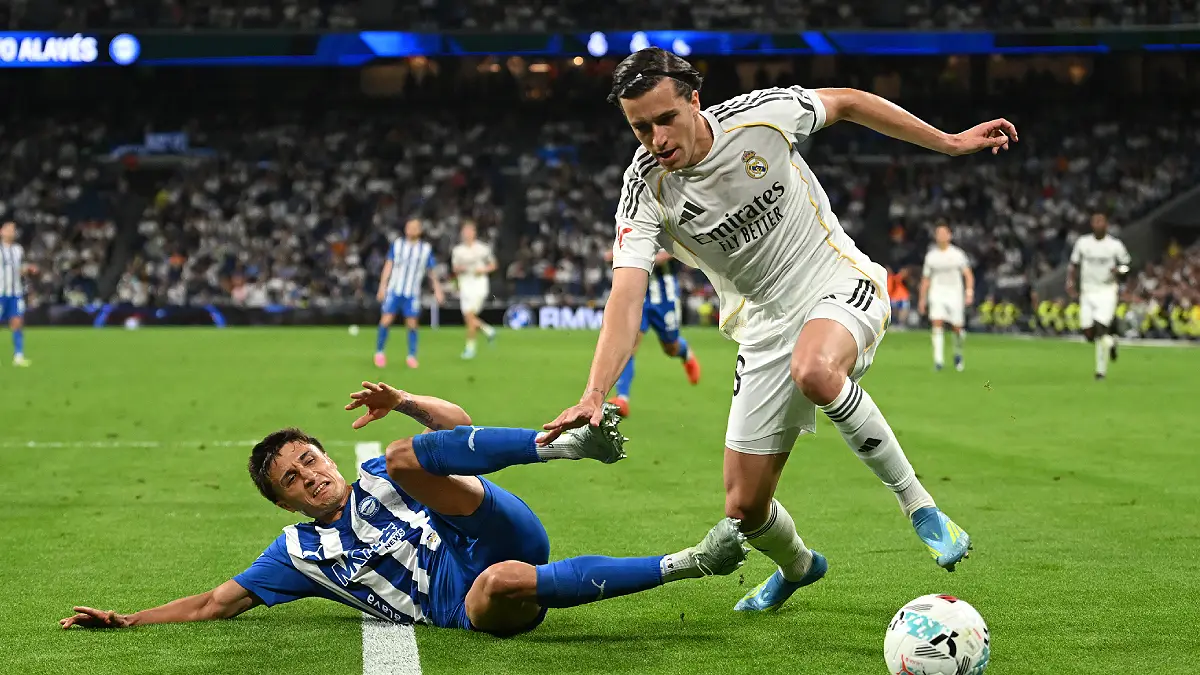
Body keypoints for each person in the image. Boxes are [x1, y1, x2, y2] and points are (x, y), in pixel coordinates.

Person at [544, 47, 1015, 613]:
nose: (656, 139)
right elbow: (626, 294)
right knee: (743, 508)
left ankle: (921, 507)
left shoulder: (760, 117)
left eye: (666, 119)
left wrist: (950, 143)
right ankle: (799, 565)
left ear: (695, 101)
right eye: (640, 128)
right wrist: (594, 392)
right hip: (764, 325)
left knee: (815, 369)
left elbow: (848, 102)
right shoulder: (644, 189)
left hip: (835, 279)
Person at [60, 382, 747, 636]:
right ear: (282, 502)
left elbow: (460, 429)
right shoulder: (297, 554)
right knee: (500, 583)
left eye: (311, 460)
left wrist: (408, 403)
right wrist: (127, 618)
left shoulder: (371, 474)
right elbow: (214, 603)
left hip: (483, 526)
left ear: (328, 457)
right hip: (465, 600)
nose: (310, 477)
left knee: (403, 456)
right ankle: (693, 561)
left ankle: (565, 445)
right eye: (293, 479)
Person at [606, 249, 702, 416]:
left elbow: (683, 248)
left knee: (671, 348)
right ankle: (622, 399)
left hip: (665, 297)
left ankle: (685, 352)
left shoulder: (670, 231)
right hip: (639, 296)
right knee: (629, 346)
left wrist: (655, 257)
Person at [1067, 212, 1131, 380]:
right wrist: (1070, 282)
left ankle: (1100, 371)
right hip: (1087, 291)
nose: (1098, 224)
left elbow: (1127, 265)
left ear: (1106, 224)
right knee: (1088, 333)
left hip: (1107, 291)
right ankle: (1111, 343)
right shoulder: (1083, 243)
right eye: (1095, 221)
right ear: (1091, 224)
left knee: (1100, 328)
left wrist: (1119, 270)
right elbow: (1073, 264)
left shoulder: (1115, 245)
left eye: (1101, 221)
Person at [376, 218, 445, 369]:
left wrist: (438, 290)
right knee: (386, 320)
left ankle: (412, 356)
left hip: (412, 293)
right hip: (394, 290)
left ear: (420, 230)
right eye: (408, 227)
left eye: (414, 227)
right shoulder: (397, 245)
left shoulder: (425, 249)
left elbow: (431, 272)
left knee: (412, 324)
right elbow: (388, 265)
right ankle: (380, 352)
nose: (410, 230)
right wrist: (382, 286)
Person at [918, 222, 974, 372]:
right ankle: (938, 361)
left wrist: (969, 292)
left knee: (957, 327)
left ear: (950, 235)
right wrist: (922, 299)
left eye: (944, 233)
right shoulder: (931, 256)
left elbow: (968, 275)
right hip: (937, 293)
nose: (941, 236)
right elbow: (926, 279)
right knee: (937, 323)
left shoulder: (957, 254)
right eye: (939, 233)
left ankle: (958, 353)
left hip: (955, 293)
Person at [451, 221, 498, 360]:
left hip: (479, 285)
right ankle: (488, 330)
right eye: (465, 231)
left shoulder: (483, 249)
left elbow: (493, 265)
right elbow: (455, 268)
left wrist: (483, 270)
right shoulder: (458, 250)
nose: (467, 234)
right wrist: (460, 269)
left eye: (470, 231)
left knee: (470, 316)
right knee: (469, 318)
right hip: (465, 285)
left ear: (474, 232)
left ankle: (470, 348)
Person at [0, 221, 34, 367]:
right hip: (0, 293)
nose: (11, 232)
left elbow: (19, 269)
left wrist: (28, 269)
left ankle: (18, 356)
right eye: (8, 229)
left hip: (15, 293)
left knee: (17, 322)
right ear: (1, 232)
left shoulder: (18, 250)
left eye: (13, 230)